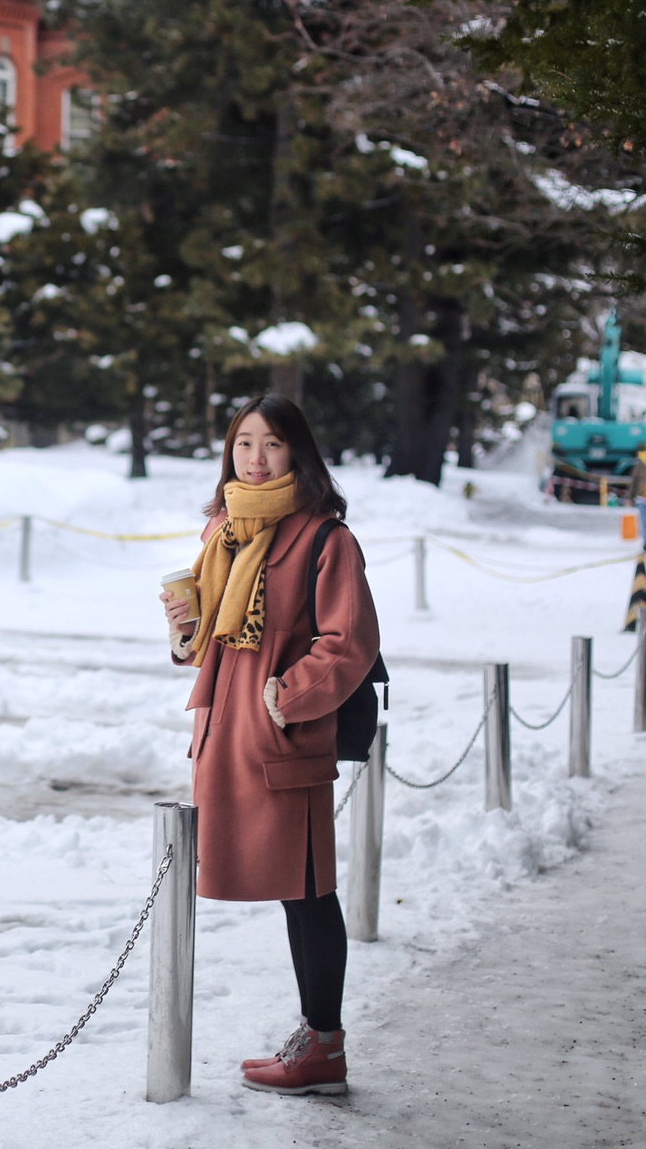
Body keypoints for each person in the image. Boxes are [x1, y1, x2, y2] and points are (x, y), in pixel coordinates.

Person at [160, 396, 380, 1096]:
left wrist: (287, 696)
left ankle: (324, 1046)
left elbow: (349, 644)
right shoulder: (222, 532)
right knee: (292, 890)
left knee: (309, 890)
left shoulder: (326, 539)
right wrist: (184, 629)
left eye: (273, 444)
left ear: (299, 454)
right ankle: (318, 1043)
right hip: (227, 733)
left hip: (285, 737)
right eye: (243, 443)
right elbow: (212, 642)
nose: (255, 460)